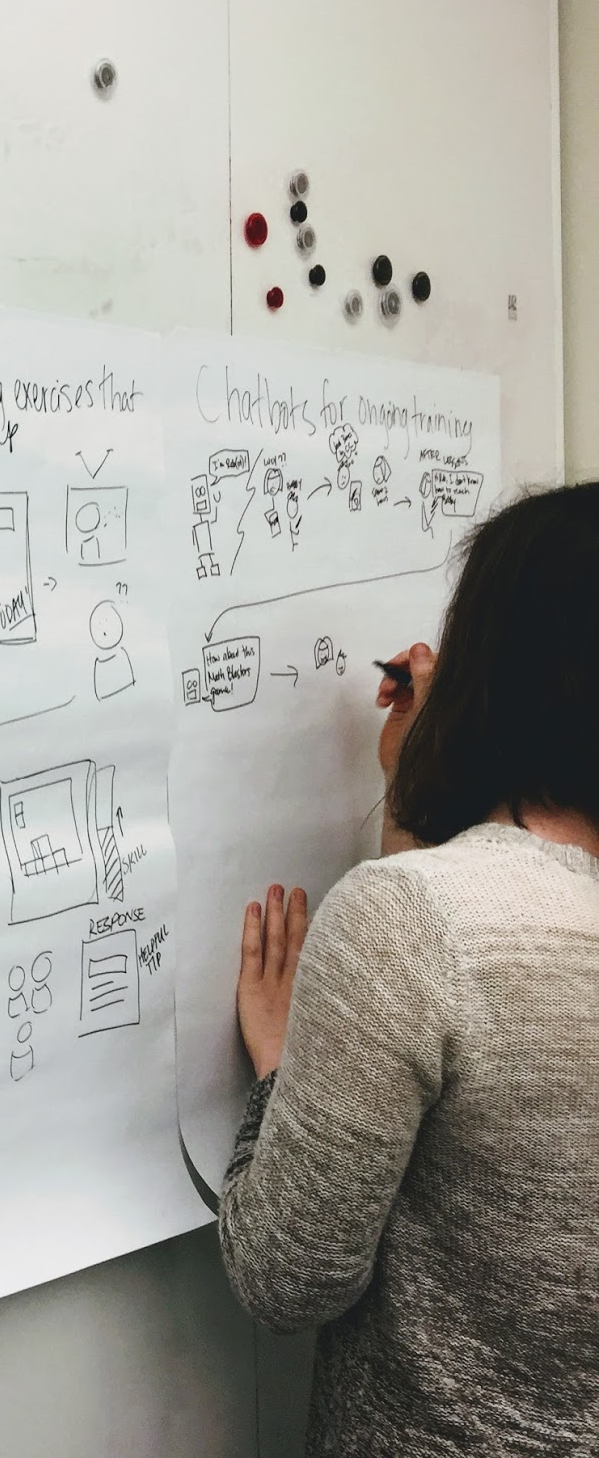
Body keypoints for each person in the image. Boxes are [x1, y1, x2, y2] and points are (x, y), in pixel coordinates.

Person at [219, 483, 599, 1455]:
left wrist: (281, 1072)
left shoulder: (408, 924)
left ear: (495, 668)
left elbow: (287, 1278)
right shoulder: (431, 922)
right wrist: (414, 806)